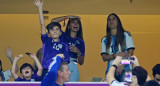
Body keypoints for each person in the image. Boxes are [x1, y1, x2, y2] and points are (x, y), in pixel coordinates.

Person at [34, 0, 70, 78]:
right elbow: (42, 24)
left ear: (60, 32)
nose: (54, 31)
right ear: (49, 33)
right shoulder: (46, 41)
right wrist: (40, 8)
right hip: (46, 70)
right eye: (52, 29)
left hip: (59, 71)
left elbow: (66, 61)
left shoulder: (64, 45)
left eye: (57, 29)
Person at [101, 13, 135, 81]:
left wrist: (122, 65)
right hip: (111, 70)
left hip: (127, 69)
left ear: (118, 22)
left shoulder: (126, 35)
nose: (111, 21)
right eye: (109, 20)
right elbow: (104, 58)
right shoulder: (104, 39)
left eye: (113, 19)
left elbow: (130, 54)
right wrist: (116, 55)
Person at [52, 16, 85, 81]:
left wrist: (78, 52)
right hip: (62, 64)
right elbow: (53, 21)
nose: (75, 24)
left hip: (74, 66)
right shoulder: (63, 36)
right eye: (73, 22)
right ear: (69, 26)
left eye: (77, 23)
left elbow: (81, 62)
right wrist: (68, 17)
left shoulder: (81, 41)